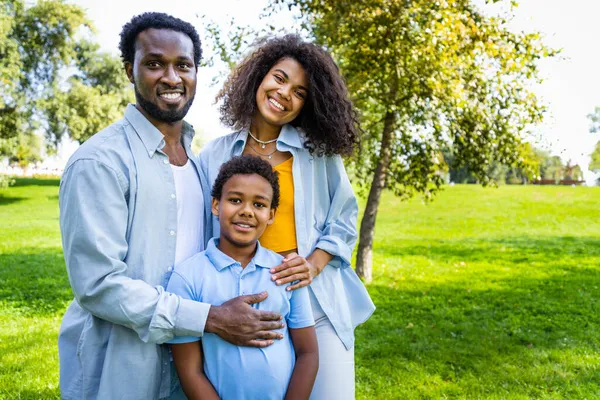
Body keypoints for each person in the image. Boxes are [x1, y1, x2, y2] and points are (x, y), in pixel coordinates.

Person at [58, 13, 284, 400]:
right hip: (121, 368)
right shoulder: (99, 162)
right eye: (154, 63)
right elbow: (98, 285)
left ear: (196, 73)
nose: (171, 77)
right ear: (129, 70)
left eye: (183, 65)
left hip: (193, 369)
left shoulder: (200, 166)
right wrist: (210, 318)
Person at [199, 35, 376, 399]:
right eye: (279, 78)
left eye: (299, 92)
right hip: (246, 303)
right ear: (260, 77)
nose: (284, 93)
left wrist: (313, 263)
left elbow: (343, 218)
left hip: (315, 300)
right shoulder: (215, 154)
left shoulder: (318, 155)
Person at [167, 155, 319, 400]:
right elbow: (190, 370)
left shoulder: (285, 272)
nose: (247, 211)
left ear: (271, 214)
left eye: (259, 205)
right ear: (216, 205)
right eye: (236, 200)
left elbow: (308, 353)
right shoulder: (187, 277)